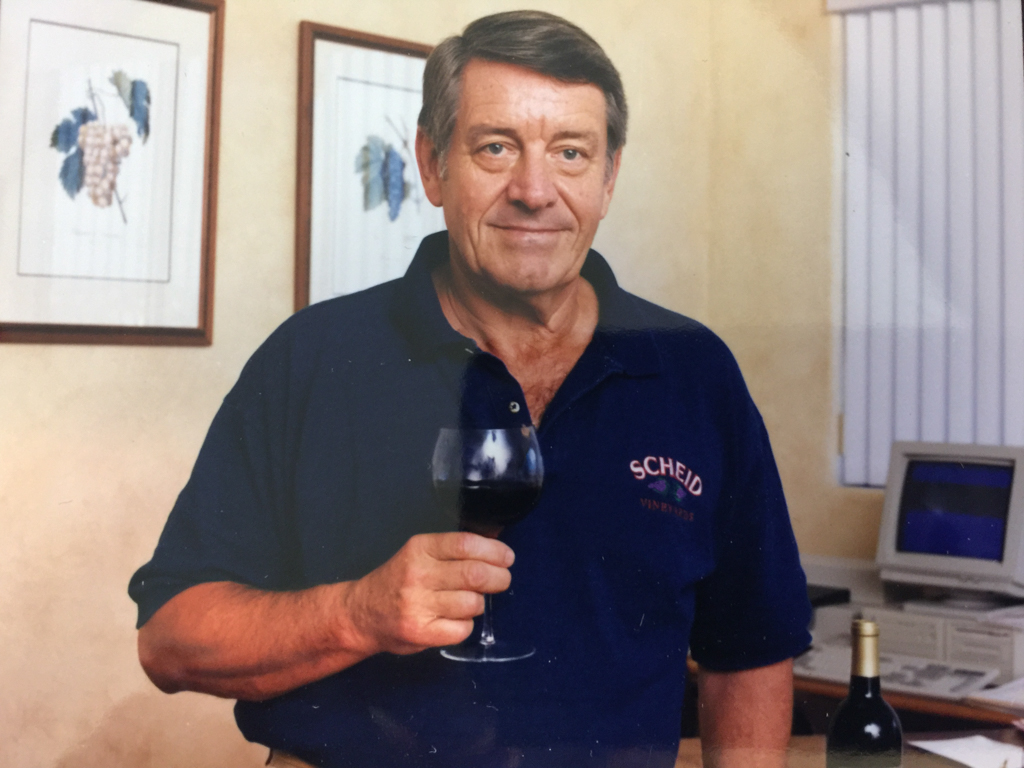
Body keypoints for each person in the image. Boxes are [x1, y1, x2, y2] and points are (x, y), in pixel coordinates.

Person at [129, 11, 811, 768]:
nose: (534, 191)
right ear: (431, 165)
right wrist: (357, 614)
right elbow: (169, 640)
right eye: (496, 147)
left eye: (571, 153)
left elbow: (750, 651)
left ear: (609, 176)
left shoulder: (695, 372)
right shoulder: (312, 360)